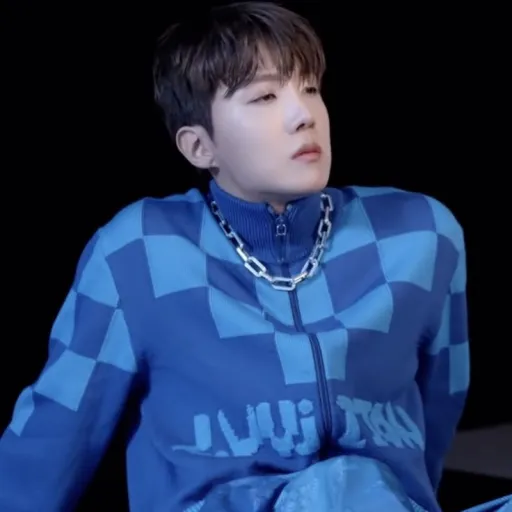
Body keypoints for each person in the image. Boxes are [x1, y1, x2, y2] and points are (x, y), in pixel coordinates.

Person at [0, 2, 470, 511]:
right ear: (199, 147)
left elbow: (435, 421)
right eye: (265, 96)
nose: (304, 115)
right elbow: (50, 443)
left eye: (310, 88)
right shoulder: (139, 251)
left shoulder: (419, 234)